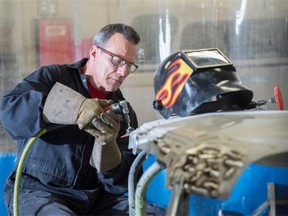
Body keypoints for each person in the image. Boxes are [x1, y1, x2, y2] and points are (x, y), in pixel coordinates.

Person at [0, 23, 165, 215]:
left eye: (130, 65)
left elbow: (125, 184)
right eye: (117, 60)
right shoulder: (54, 78)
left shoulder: (123, 112)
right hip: (38, 191)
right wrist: (75, 107)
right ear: (94, 52)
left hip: (95, 200)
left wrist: (108, 149)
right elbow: (10, 113)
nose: (124, 72)